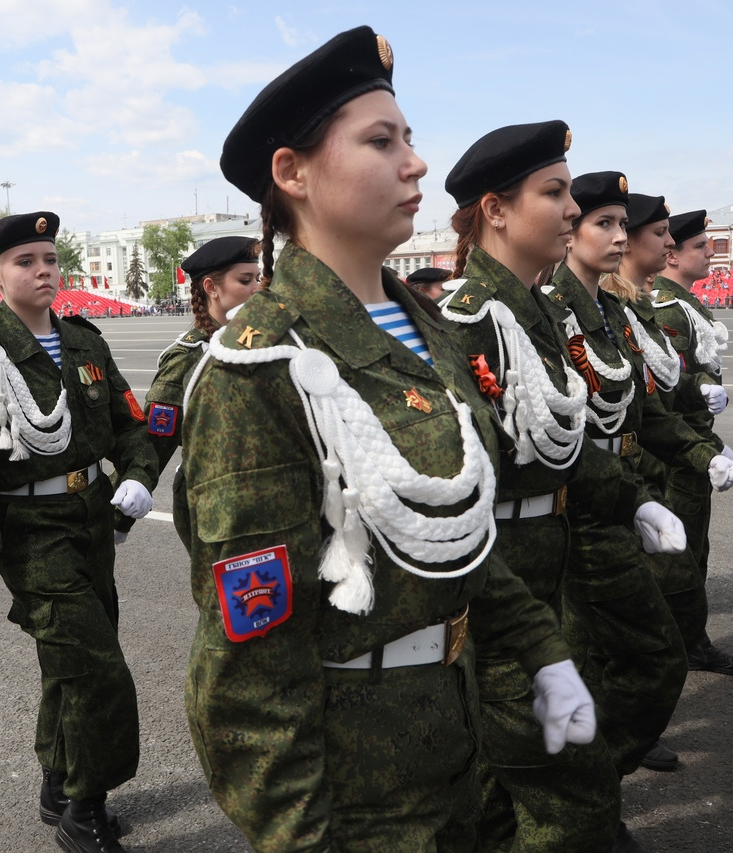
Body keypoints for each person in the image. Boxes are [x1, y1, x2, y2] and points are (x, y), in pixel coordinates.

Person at [182, 27, 592, 851]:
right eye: (381, 141)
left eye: (408, 137)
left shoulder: (426, 327)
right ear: (293, 174)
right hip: (356, 786)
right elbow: (250, 659)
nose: (416, 163)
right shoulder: (264, 365)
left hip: (453, 733)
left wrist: (543, 650)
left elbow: (463, 531)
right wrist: (298, 835)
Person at [439, 130, 685, 853]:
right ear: (496, 210)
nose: (573, 208)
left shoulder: (542, 312)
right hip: (502, 574)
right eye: (555, 192)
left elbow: (568, 440)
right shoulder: (465, 320)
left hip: (555, 550)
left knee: (509, 776)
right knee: (568, 790)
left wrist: (631, 496)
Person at [0, 212, 158, 853]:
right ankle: (85, 811)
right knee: (98, 670)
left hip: (91, 519)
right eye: (25, 261)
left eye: (50, 259)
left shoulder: (85, 342)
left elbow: (131, 425)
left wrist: (139, 474)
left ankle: (57, 780)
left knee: (69, 662)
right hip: (30, 534)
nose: (42, 271)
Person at [546, 181, 733, 788]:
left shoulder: (609, 309)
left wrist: (699, 448)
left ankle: (594, 779)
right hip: (574, 497)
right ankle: (586, 787)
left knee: (633, 647)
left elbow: (643, 404)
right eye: (602, 222)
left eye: (622, 225)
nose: (620, 237)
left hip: (621, 485)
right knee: (587, 647)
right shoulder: (549, 309)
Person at [631, 204, 733, 676]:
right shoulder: (667, 309)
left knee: (692, 551)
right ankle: (682, 645)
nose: (710, 254)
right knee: (682, 557)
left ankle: (687, 641)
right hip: (676, 455)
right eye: (699, 246)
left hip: (692, 446)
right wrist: (702, 437)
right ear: (674, 256)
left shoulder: (681, 306)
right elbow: (662, 394)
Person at [115, 236, 262, 549]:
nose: (256, 288)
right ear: (211, 287)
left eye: (258, 279)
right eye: (245, 280)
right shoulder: (190, 356)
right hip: (213, 497)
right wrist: (119, 519)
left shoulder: (263, 343)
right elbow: (157, 438)